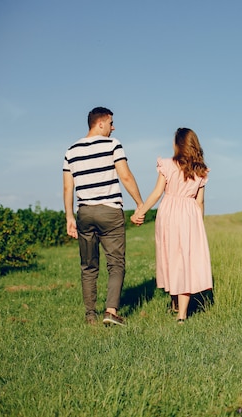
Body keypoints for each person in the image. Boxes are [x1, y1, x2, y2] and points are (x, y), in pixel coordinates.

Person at [63, 107, 144, 326]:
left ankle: (90, 315)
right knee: (115, 263)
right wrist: (139, 203)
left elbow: (67, 188)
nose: (113, 127)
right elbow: (125, 176)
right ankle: (111, 311)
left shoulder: (71, 151)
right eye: (111, 123)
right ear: (100, 123)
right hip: (109, 211)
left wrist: (70, 216)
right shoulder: (112, 144)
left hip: (85, 213)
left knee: (88, 265)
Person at [131, 128, 213, 324]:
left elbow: (158, 192)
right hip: (190, 215)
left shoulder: (167, 165)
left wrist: (140, 211)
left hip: (169, 213)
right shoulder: (201, 170)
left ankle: (176, 305)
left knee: (171, 257)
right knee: (185, 260)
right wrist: (198, 225)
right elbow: (199, 201)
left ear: (178, 144)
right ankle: (181, 313)